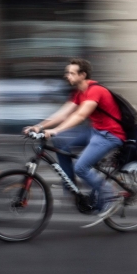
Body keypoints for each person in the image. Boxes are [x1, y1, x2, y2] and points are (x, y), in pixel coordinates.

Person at [24, 58, 125, 223]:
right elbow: (62, 114)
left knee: (81, 167)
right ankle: (70, 187)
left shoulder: (95, 90)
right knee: (61, 142)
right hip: (95, 131)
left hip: (110, 135)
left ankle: (109, 195)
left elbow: (80, 115)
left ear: (82, 75)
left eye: (71, 73)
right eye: (67, 72)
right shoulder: (79, 92)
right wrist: (39, 126)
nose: (67, 76)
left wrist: (55, 130)